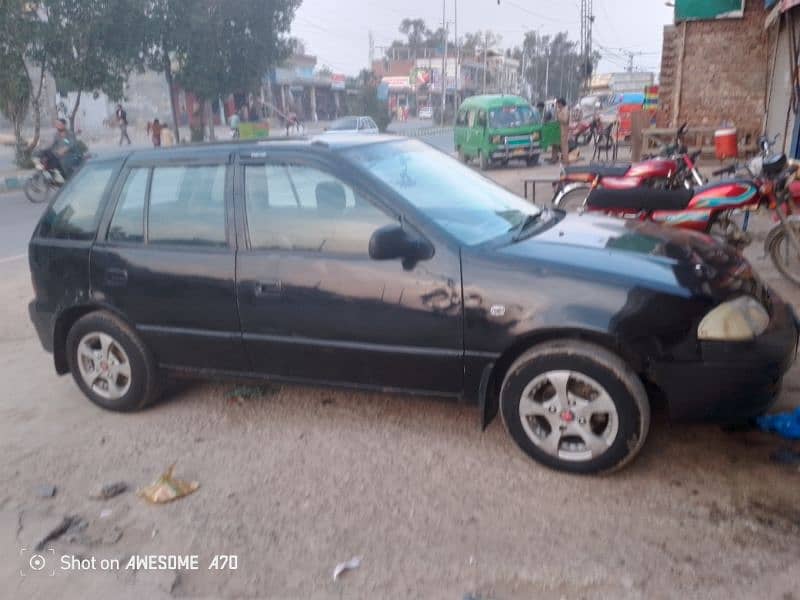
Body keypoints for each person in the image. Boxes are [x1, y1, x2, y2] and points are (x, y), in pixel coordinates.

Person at [557, 98, 570, 165]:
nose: (557, 105)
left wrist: (559, 117)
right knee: (563, 146)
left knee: (564, 147)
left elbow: (565, 120)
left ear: (561, 103)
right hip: (562, 130)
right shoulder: (561, 110)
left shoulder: (565, 110)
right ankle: (565, 160)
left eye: (558, 104)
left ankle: (566, 161)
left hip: (564, 130)